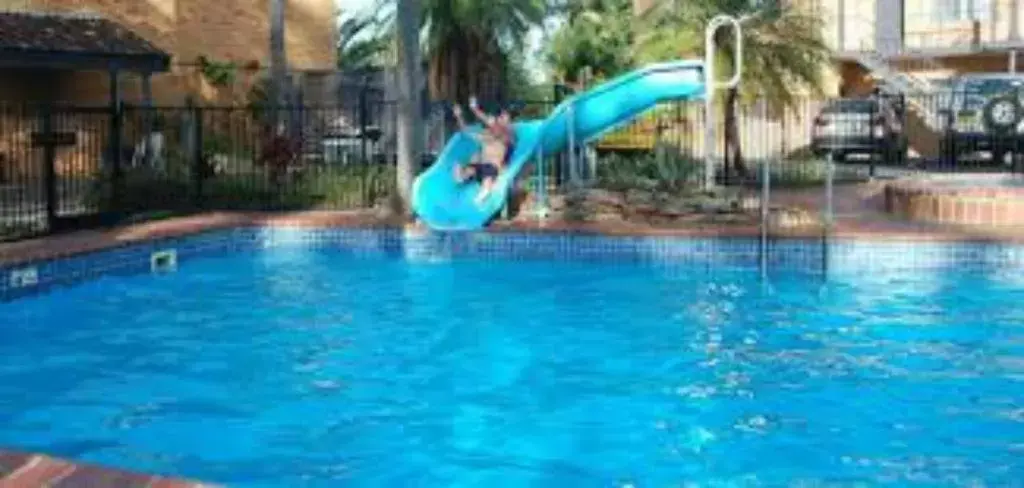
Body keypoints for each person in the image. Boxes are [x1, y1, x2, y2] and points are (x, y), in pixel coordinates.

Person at [452, 96, 516, 204]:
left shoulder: (508, 135)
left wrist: (475, 109)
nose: (503, 120)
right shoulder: (486, 135)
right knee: (468, 167)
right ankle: (463, 177)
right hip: (480, 166)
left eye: (506, 118)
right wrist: (459, 116)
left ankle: (485, 190)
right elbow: (465, 131)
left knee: (488, 174)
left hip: (494, 168)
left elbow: (496, 128)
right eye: (502, 117)